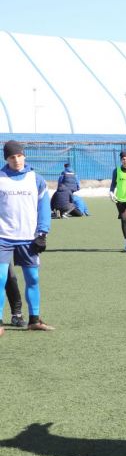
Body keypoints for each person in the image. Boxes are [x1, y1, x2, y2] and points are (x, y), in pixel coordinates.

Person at [0, 140, 54, 334]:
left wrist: (42, 233)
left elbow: (44, 209)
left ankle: (34, 319)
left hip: (29, 238)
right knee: (0, 277)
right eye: (12, 157)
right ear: (6, 158)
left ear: (24, 156)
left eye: (19, 156)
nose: (17, 160)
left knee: (33, 278)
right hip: (3, 237)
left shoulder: (36, 179)